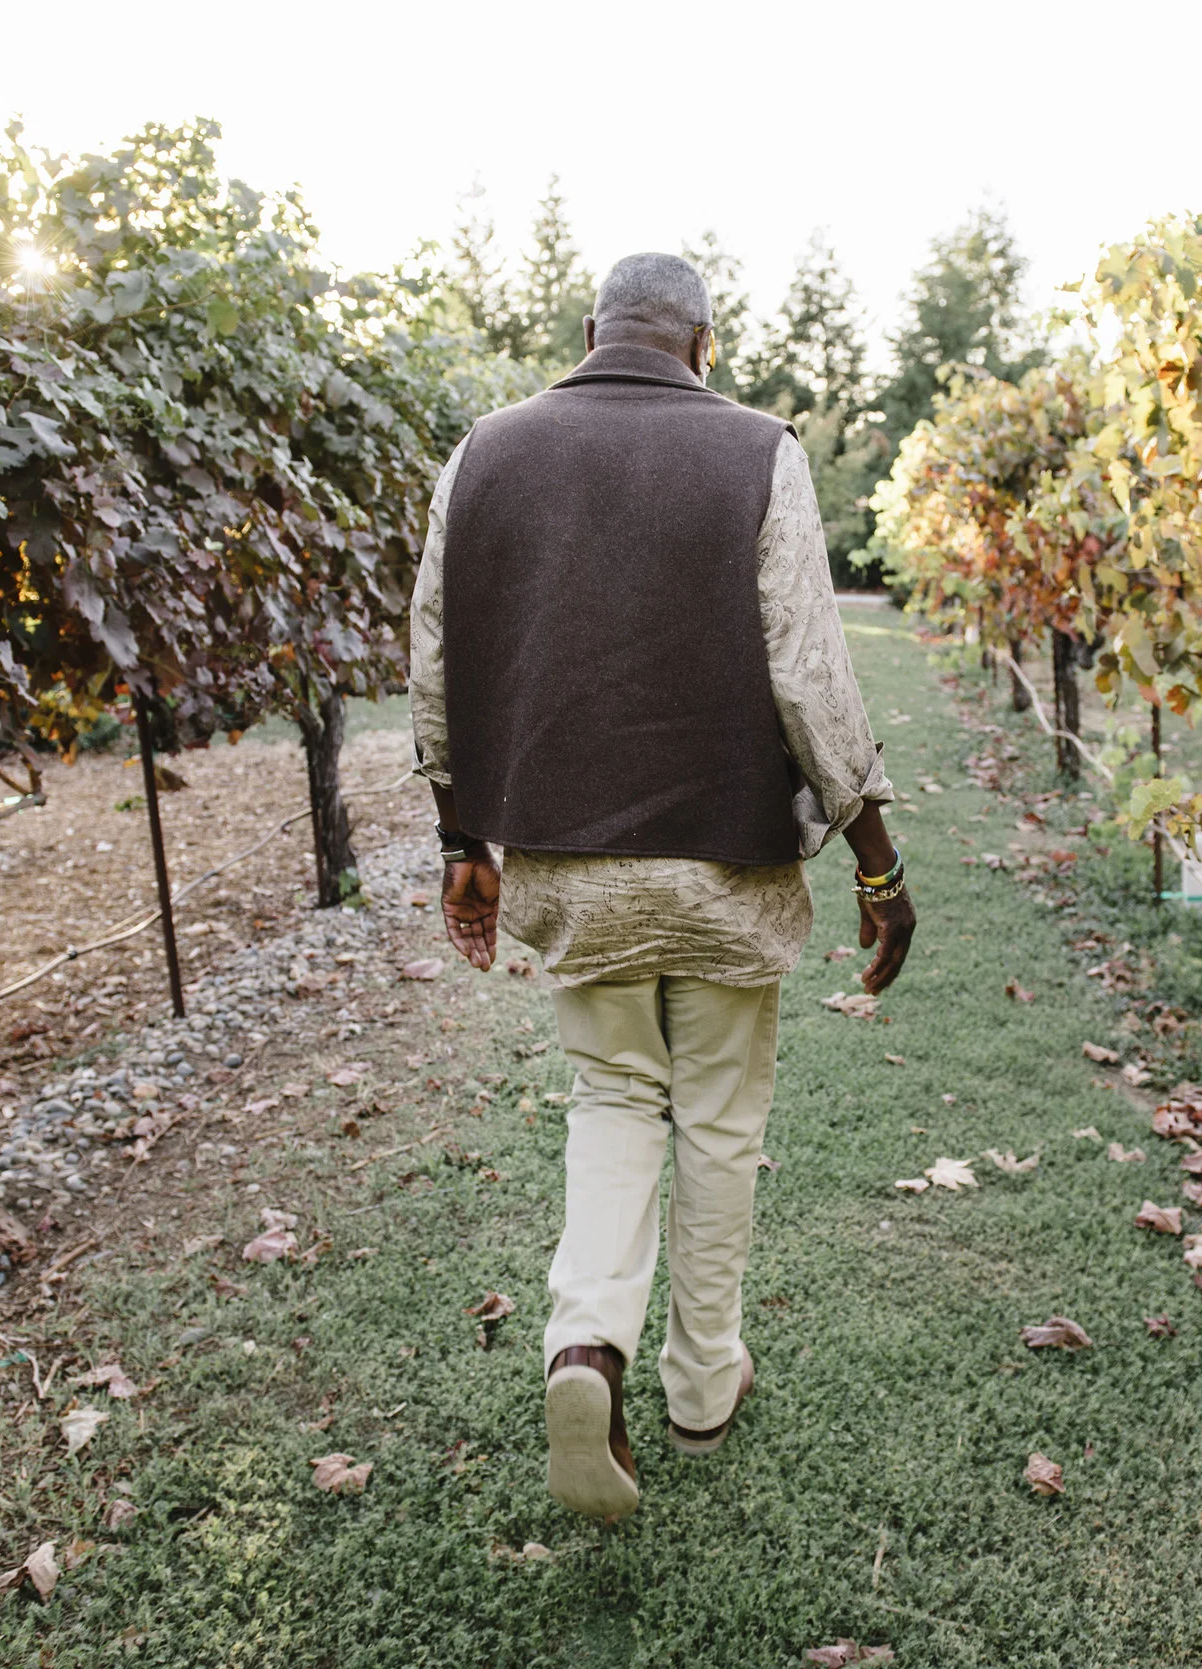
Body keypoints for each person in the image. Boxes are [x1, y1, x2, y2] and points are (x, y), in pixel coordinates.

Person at [408, 251, 915, 1522]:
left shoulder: (485, 452)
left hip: (570, 866)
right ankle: (699, 1384)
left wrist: (458, 840)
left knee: (611, 1096)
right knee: (721, 1119)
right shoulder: (755, 450)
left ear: (591, 331)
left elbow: (433, 657)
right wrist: (875, 855)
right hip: (723, 860)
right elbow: (806, 665)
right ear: (702, 342)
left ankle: (584, 1344)